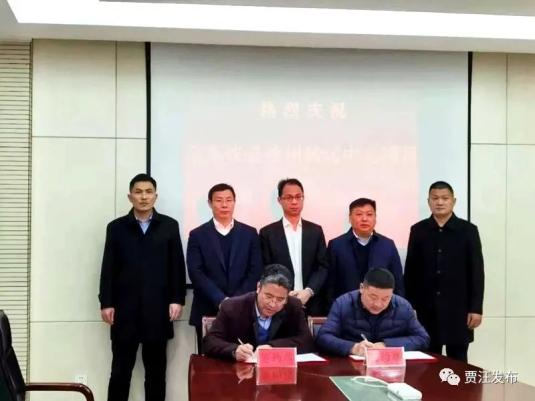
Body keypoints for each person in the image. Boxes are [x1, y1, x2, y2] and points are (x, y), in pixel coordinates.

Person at [98, 173, 186, 401]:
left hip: (158, 310)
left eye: (148, 192)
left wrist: (177, 299)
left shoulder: (169, 226)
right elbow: (108, 268)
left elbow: (176, 265)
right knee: (120, 372)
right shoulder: (116, 228)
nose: (144, 197)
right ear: (130, 197)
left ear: (156, 196)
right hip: (124, 310)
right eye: (138, 192)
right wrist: (106, 302)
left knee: (156, 373)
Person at [404, 181, 484, 362]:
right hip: (426, 308)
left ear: (453, 201)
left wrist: (476, 308)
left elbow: (477, 272)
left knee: (459, 360)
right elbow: (411, 271)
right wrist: (410, 307)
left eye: (445, 198)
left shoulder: (468, 231)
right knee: (428, 360)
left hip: (459, 308)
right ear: (428, 202)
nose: (440, 202)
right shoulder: (418, 230)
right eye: (435, 198)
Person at [187, 183, 263, 353]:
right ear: (210, 203)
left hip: (243, 310)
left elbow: (255, 270)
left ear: (234, 202)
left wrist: (236, 302)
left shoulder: (250, 233)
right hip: (208, 307)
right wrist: (221, 300)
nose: (224, 205)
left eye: (229, 200)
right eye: (219, 200)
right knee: (208, 361)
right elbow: (196, 272)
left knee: (245, 358)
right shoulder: (197, 235)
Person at [203, 264, 314, 360]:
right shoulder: (232, 307)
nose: (273, 304)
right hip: (240, 372)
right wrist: (234, 350)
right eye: (268, 296)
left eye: (280, 299)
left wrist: (273, 347)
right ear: (258, 287)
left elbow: (307, 341)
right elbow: (210, 341)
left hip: (277, 372)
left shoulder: (293, 306)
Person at [316, 268, 429, 356]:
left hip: (389, 368)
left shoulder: (403, 307)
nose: (378, 304)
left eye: (385, 299)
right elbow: (323, 337)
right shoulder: (343, 304)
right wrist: (353, 347)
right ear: (362, 288)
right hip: (351, 367)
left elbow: (423, 338)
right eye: (373, 297)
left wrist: (387, 345)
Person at [259, 178, 328, 315]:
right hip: (279, 303)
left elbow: (323, 266)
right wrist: (284, 292)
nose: (294, 202)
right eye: (289, 198)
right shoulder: (267, 233)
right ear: (279, 200)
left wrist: (309, 291)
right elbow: (266, 268)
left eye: (298, 197)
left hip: (312, 302)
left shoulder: (315, 231)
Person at [326, 198, 404, 306]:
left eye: (369, 214)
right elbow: (329, 286)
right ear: (350, 218)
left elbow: (398, 284)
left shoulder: (387, 245)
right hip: (346, 309)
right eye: (359, 214)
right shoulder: (336, 245)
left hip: (380, 308)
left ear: (375, 218)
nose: (364, 219)